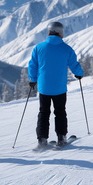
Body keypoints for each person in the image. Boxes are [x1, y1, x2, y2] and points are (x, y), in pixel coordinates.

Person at [28, 21, 84, 149]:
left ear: (49, 32)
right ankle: (61, 138)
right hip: (59, 88)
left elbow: (32, 65)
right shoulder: (67, 49)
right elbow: (74, 65)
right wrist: (79, 74)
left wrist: (32, 79)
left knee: (43, 113)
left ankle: (42, 140)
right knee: (60, 112)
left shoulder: (38, 48)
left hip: (44, 88)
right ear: (61, 33)